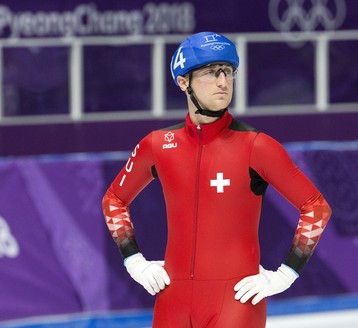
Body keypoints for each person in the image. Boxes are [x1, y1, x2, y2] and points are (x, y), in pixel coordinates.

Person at [101, 31, 332, 327]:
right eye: (211, 72)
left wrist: (286, 274)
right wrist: (133, 261)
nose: (224, 82)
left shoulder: (256, 146)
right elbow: (114, 200)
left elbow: (316, 207)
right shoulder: (158, 145)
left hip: (236, 301)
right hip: (173, 299)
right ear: (183, 81)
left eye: (228, 71)